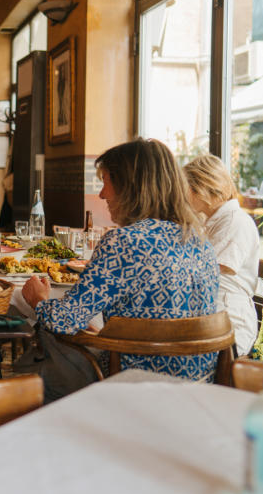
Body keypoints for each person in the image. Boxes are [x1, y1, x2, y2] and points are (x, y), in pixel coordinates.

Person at [21, 138, 219, 400]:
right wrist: (108, 334)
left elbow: (64, 320)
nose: (102, 194)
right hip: (198, 386)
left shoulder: (123, 242)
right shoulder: (200, 241)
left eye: (106, 182)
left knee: (44, 335)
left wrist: (38, 301)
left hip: (135, 383)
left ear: (129, 186)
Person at [184, 155, 260, 356]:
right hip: (209, 317)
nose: (182, 195)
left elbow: (214, 268)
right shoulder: (212, 221)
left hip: (228, 322)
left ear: (202, 187)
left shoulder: (235, 222)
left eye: (186, 188)